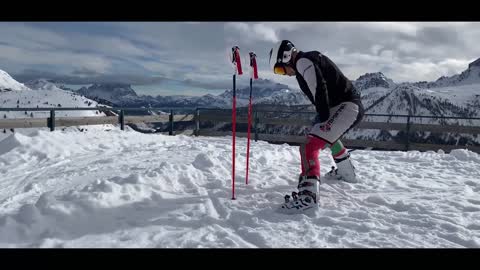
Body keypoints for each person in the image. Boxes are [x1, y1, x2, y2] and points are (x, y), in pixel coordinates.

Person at [268, 40, 364, 213]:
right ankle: (347, 173)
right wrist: (322, 119)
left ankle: (308, 197)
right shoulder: (305, 63)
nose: (283, 74)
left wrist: (323, 116)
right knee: (325, 137)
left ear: (287, 56)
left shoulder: (303, 61)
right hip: (346, 105)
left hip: (347, 106)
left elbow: (319, 87)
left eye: (281, 68)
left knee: (309, 146)